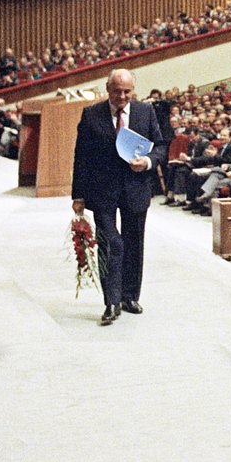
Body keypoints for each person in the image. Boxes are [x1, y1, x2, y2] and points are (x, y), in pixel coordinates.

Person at [71, 69, 166, 325]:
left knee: (134, 243)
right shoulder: (92, 114)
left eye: (127, 91)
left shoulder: (146, 112)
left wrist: (147, 161)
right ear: (107, 88)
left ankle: (129, 296)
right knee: (112, 243)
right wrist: (78, 194)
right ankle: (111, 301)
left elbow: (160, 146)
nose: (122, 96)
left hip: (136, 187)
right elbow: (82, 156)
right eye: (117, 91)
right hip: (102, 191)